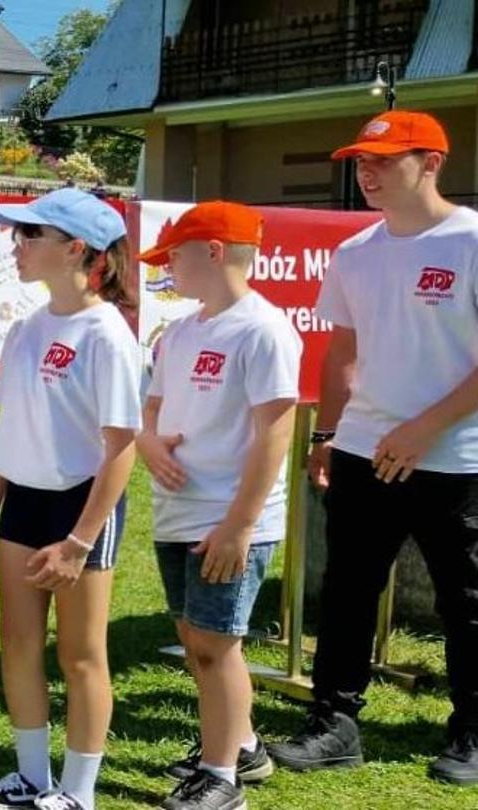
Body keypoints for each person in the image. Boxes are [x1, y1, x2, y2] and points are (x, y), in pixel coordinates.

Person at [269, 109, 478, 786]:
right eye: (362, 162)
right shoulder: (357, 251)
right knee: (348, 592)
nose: (368, 173)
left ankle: (472, 734)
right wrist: (328, 435)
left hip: (457, 457)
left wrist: (425, 428)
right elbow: (343, 352)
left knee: (466, 601)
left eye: (385, 161)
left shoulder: (472, 241)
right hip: (363, 451)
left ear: (432, 163)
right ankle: (334, 724)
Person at [0, 188, 140, 810]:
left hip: (79, 509)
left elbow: (121, 447)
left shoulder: (107, 334)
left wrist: (79, 541)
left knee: (80, 654)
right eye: (18, 234)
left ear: (76, 249)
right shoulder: (26, 329)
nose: (17, 245)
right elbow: (12, 427)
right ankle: (32, 778)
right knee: (17, 644)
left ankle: (79, 792)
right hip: (23, 502)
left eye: (30, 235)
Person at [137, 201, 297, 810]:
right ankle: (243, 747)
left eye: (173, 255)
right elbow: (152, 407)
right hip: (179, 513)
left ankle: (221, 776)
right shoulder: (180, 332)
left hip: (229, 519)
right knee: (194, 637)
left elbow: (275, 430)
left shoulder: (263, 329)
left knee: (214, 644)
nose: (167, 268)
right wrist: (148, 442)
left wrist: (240, 524)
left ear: (213, 252)